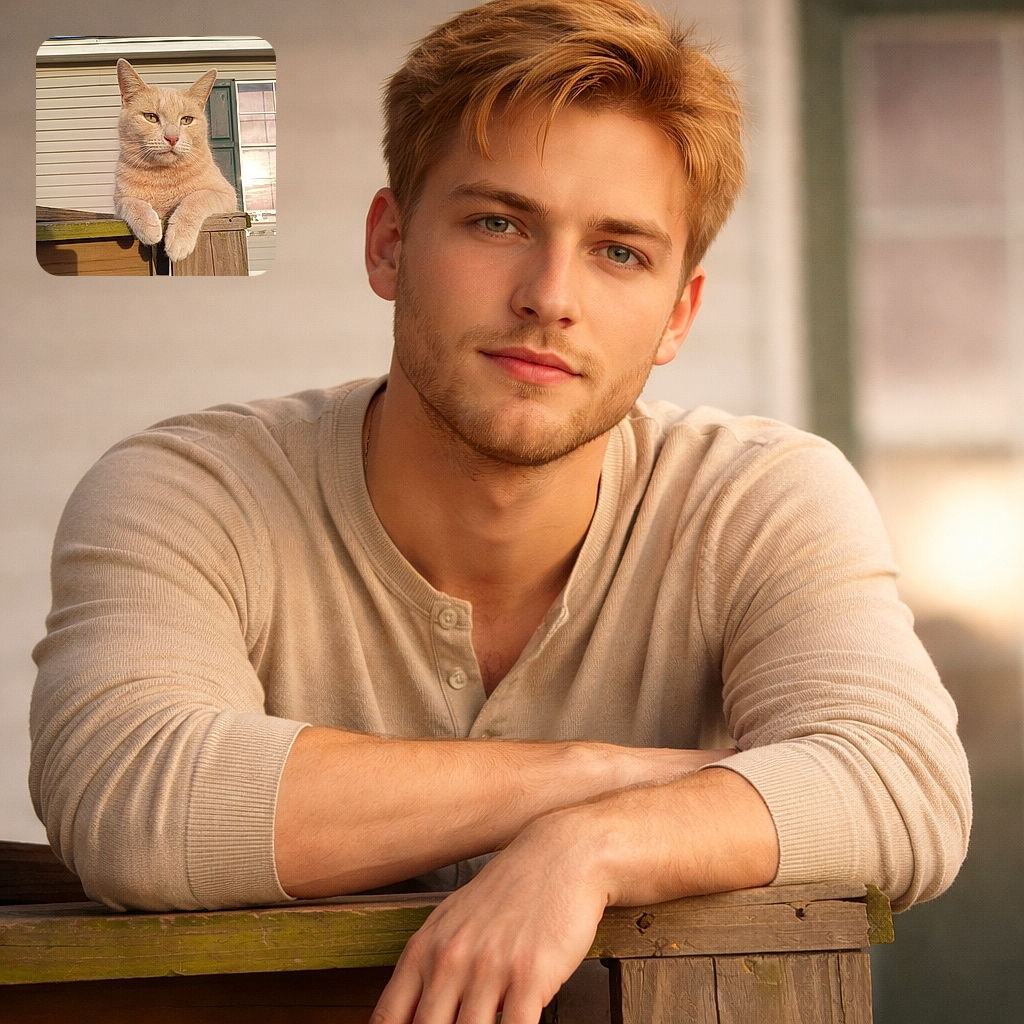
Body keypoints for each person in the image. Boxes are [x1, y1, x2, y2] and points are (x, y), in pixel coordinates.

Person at [30, 1, 971, 1021]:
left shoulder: (758, 497)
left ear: (677, 315)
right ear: (389, 244)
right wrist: (604, 774)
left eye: (619, 252)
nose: (549, 294)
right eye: (498, 222)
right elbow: (140, 802)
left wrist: (596, 841)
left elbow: (900, 783)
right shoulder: (190, 490)